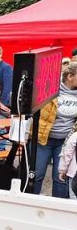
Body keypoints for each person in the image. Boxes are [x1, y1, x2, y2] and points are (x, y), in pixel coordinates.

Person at [33, 61, 77, 197]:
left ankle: (58, 210)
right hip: (44, 139)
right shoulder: (50, 87)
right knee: (36, 175)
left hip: (65, 142)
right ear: (70, 76)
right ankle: (30, 206)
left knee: (61, 178)